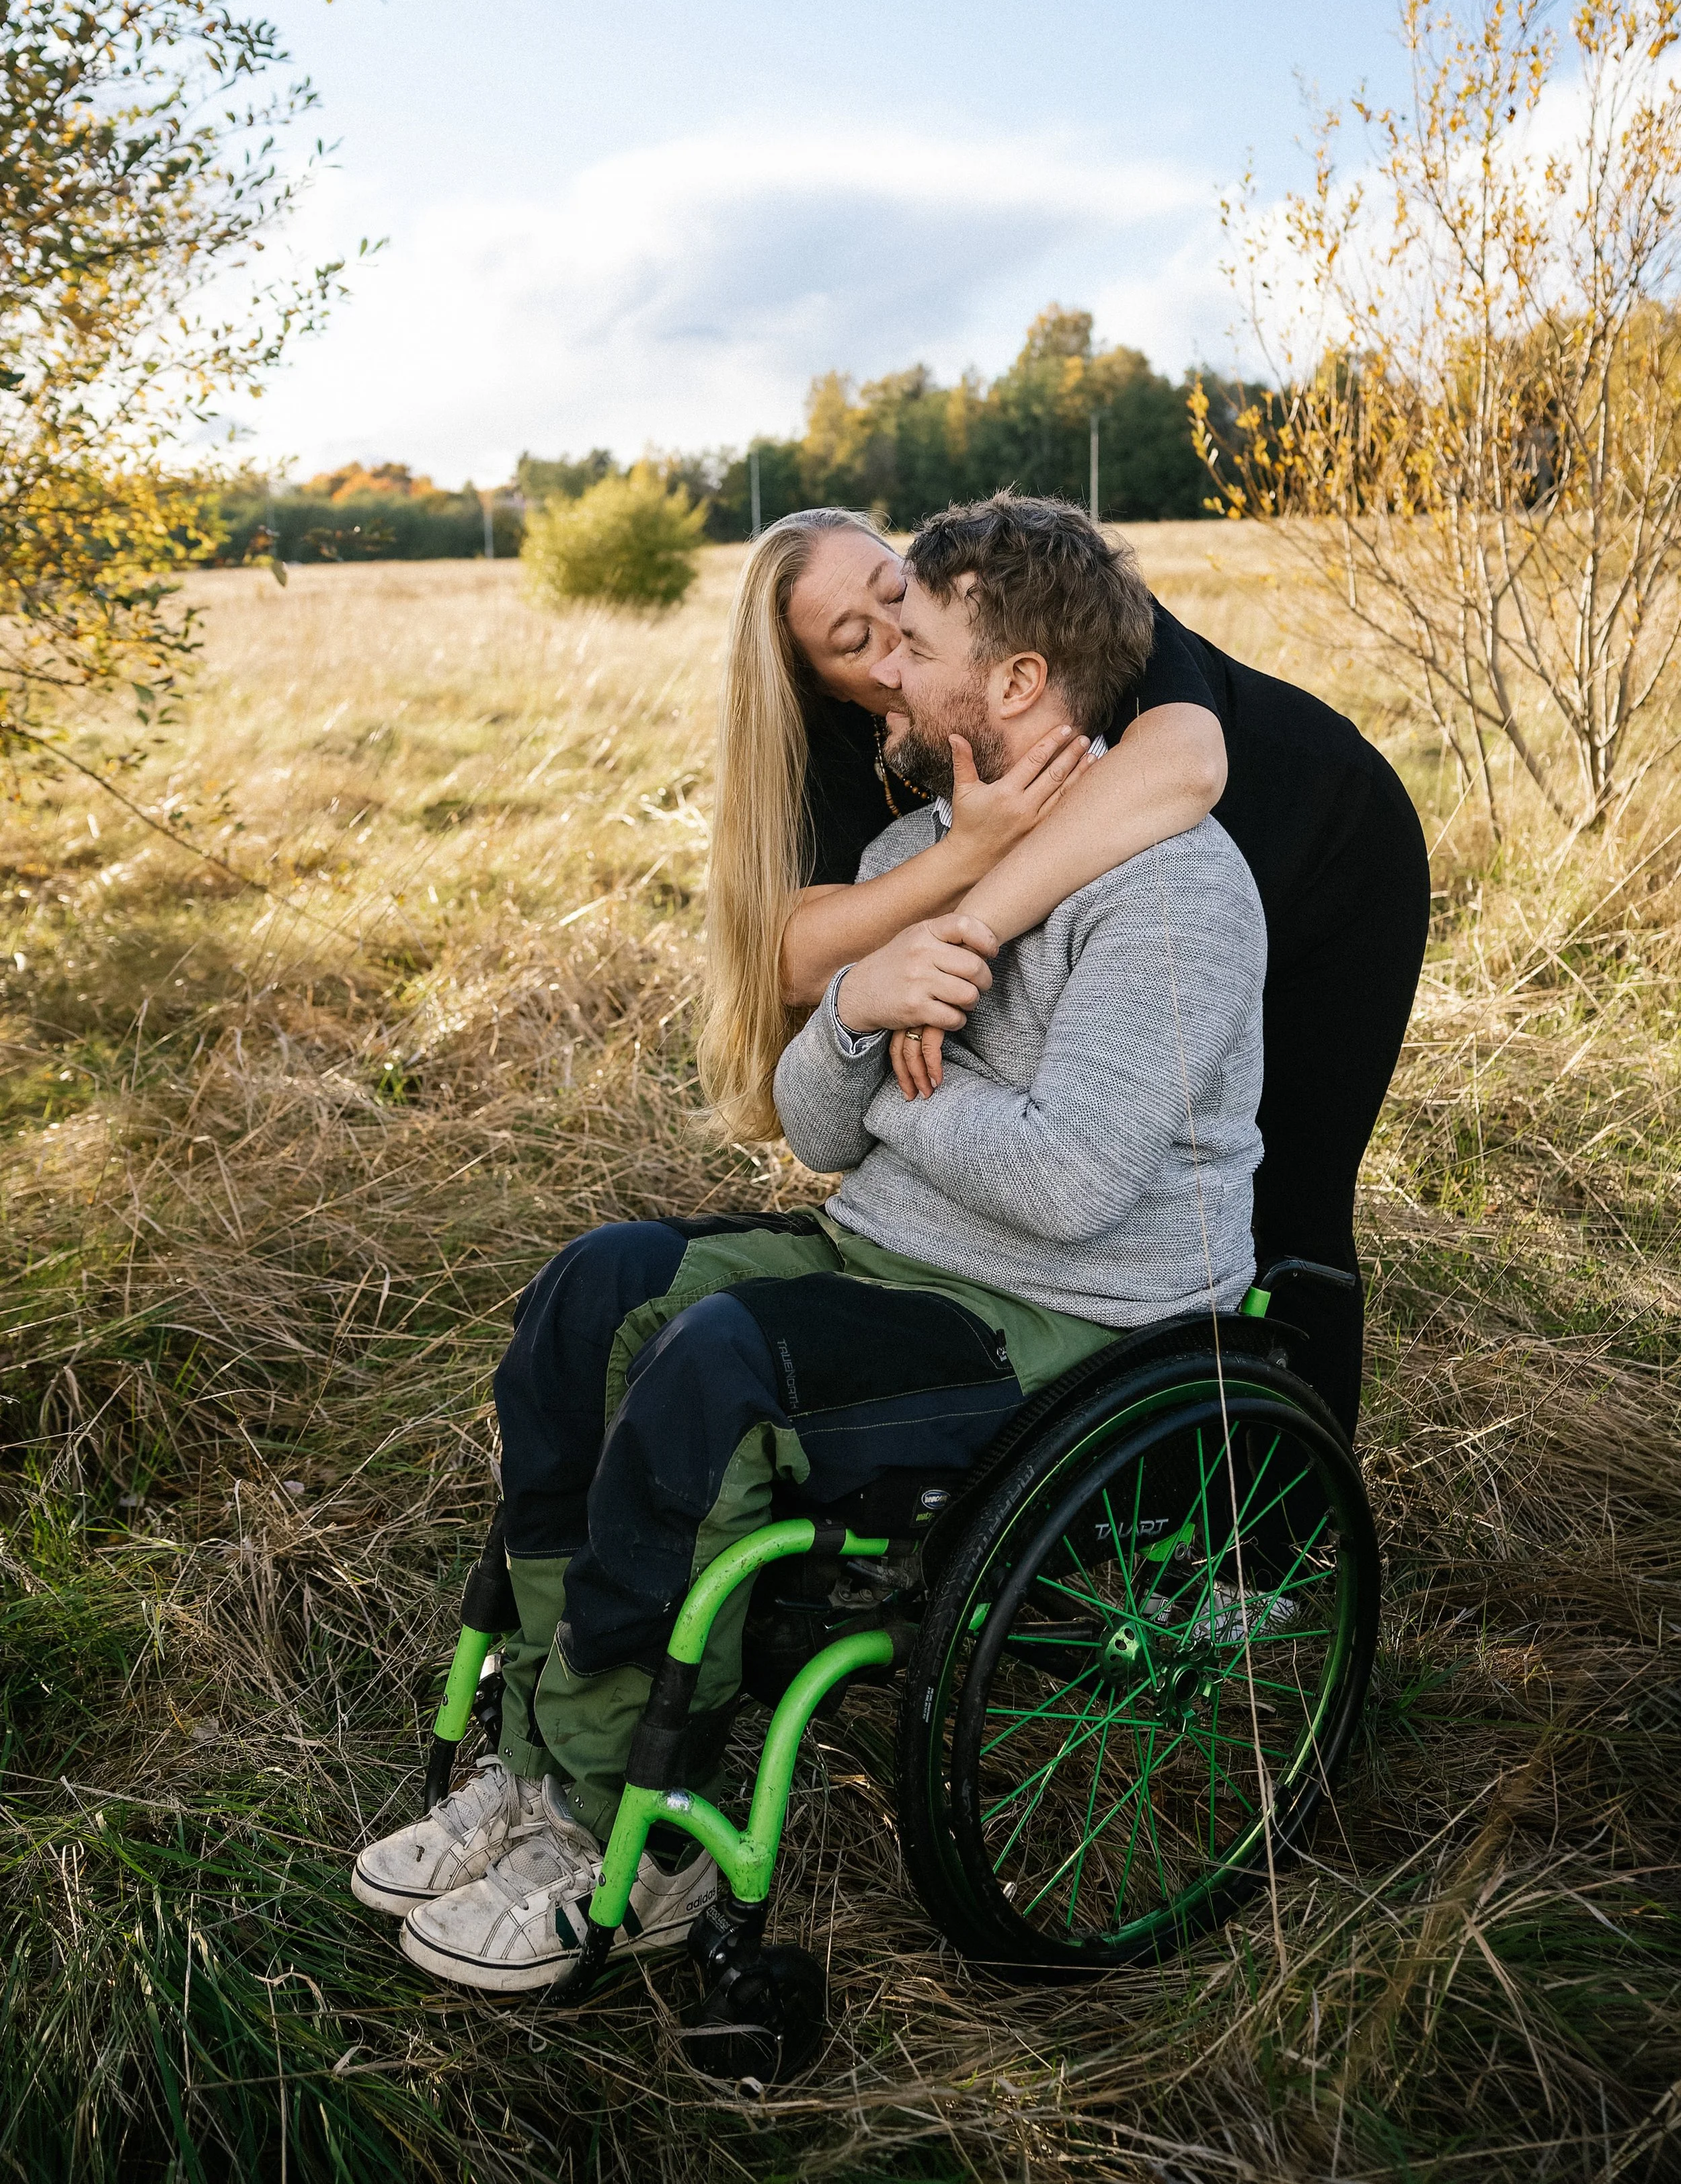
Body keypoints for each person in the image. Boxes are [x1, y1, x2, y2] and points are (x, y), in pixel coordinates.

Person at [352, 498, 1267, 1994]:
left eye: (911, 640)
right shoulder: (920, 840)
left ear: (1021, 682)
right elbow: (815, 1121)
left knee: (720, 1365)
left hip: (1059, 1324)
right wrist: (858, 1007)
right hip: (885, 1260)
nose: (884, 675)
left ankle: (623, 1835)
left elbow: (1059, 1181)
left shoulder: (1175, 892)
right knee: (593, 1291)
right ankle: (532, 1765)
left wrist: (927, 1072)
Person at [699, 504, 1429, 1441]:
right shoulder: (878, 722)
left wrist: (964, 928)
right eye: (854, 645)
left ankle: (1284, 1539)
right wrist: (960, 857)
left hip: (1318, 851)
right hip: (1126, 918)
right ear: (820, 685)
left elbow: (1187, 768)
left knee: (1287, 1201)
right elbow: (794, 957)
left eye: (896, 597)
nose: (890, 652)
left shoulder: (1033, 599)